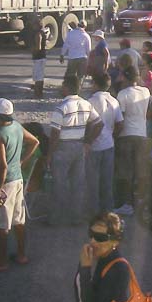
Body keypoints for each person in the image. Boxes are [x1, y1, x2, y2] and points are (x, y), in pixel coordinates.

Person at [0, 98, 40, 272]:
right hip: (18, 180)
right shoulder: (16, 126)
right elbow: (35, 142)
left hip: (4, 183)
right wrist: (21, 161)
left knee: (1, 225)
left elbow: (2, 166)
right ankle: (22, 255)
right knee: (18, 220)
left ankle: (1, 263)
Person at [47, 75, 104, 226]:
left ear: (67, 87)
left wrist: (48, 155)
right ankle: (76, 218)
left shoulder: (61, 108)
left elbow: (54, 135)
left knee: (59, 184)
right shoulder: (86, 104)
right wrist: (88, 142)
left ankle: (56, 218)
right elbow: (99, 124)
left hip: (62, 148)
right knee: (78, 185)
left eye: (62, 85)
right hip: (79, 147)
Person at [72, 212, 131, 302]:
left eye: (100, 237)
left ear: (115, 241)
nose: (92, 241)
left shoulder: (119, 269)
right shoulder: (98, 257)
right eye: (91, 234)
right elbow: (81, 297)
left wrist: (85, 269)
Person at [114, 67, 151, 216]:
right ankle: (141, 202)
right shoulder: (146, 92)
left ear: (126, 77)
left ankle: (127, 204)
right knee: (140, 171)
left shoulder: (122, 95)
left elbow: (120, 119)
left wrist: (114, 135)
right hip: (142, 134)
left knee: (126, 173)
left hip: (127, 136)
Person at [87, 73, 123, 214]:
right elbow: (120, 124)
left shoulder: (91, 102)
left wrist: (87, 140)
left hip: (94, 146)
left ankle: (93, 211)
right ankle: (107, 210)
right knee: (107, 180)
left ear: (95, 84)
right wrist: (112, 136)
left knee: (92, 181)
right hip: (109, 145)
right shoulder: (114, 101)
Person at [29, 16, 49, 98]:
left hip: (39, 58)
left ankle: (38, 93)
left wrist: (32, 50)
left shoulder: (38, 34)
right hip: (41, 57)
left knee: (38, 77)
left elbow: (38, 47)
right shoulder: (42, 33)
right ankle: (38, 93)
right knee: (39, 76)